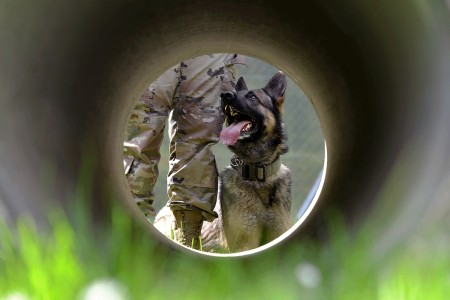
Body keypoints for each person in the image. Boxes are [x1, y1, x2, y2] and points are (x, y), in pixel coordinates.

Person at [123, 54, 246, 249]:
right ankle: (133, 236)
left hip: (211, 42)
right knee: (141, 138)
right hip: (155, 39)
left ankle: (188, 243)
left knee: (198, 143)